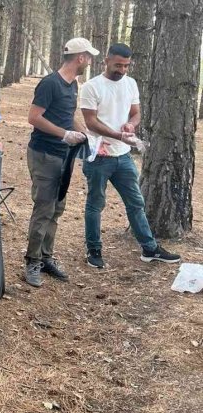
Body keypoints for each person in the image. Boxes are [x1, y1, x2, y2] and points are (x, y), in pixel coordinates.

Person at [80, 43, 180, 269]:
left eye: (126, 66)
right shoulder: (91, 86)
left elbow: (136, 113)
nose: (122, 70)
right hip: (99, 155)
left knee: (136, 202)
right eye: (118, 65)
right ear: (106, 60)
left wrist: (130, 125)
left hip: (123, 156)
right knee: (96, 204)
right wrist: (117, 134)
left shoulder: (131, 83)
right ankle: (93, 250)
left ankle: (149, 248)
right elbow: (90, 121)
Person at [24, 37, 97, 288]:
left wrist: (87, 135)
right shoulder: (50, 84)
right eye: (88, 56)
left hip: (64, 156)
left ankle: (46, 257)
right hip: (44, 154)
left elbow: (68, 117)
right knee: (44, 208)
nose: (89, 60)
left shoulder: (73, 84)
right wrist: (63, 134)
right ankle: (32, 261)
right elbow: (34, 117)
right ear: (80, 58)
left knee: (57, 208)